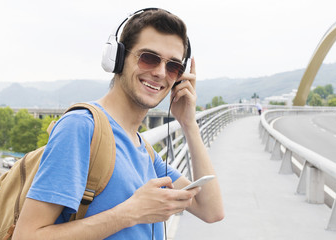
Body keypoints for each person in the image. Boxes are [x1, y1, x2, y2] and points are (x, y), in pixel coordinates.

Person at [13, 8, 224, 240]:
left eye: (173, 66)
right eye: (149, 58)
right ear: (118, 58)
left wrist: (188, 124)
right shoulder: (81, 127)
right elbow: (26, 236)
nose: (160, 73)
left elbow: (211, 210)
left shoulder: (143, 149)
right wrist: (131, 212)